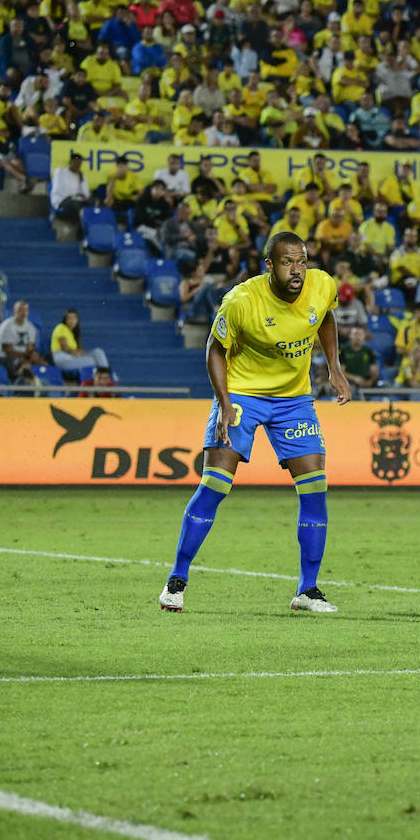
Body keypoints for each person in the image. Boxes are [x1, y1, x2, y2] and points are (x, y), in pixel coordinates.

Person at [158, 232, 353, 613]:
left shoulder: (322, 284)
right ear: (270, 266)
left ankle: (307, 590)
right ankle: (177, 581)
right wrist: (225, 403)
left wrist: (334, 367)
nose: (297, 270)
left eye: (302, 261)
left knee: (315, 487)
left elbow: (325, 316)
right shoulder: (241, 301)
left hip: (293, 400)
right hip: (243, 394)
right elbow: (215, 350)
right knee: (215, 485)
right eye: (287, 262)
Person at [0, 299, 45, 381]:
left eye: (26, 310)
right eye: (20, 310)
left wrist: (31, 355)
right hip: (5, 357)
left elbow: (30, 346)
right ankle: (26, 383)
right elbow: (8, 350)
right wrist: (25, 357)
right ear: (14, 311)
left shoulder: (30, 327)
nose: (23, 313)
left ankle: (40, 383)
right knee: (18, 363)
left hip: (23, 356)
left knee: (40, 361)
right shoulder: (6, 326)